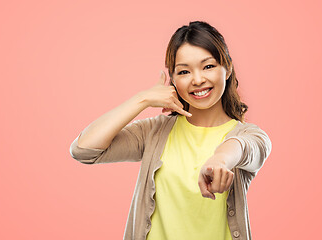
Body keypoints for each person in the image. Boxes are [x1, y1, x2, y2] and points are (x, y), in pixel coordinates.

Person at [70, 21, 272, 240]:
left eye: (208, 66)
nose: (197, 80)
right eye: (184, 71)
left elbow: (243, 148)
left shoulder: (250, 136)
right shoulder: (154, 131)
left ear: (228, 69)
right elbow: (84, 149)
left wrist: (220, 160)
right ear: (173, 79)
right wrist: (143, 99)